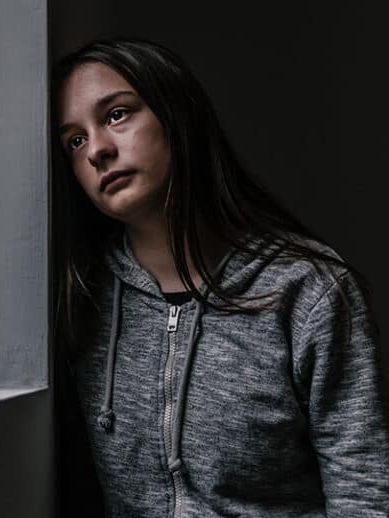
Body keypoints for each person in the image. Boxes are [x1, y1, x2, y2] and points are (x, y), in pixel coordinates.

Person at [53, 37, 389, 518]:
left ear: (176, 116)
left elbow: (364, 494)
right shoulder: (83, 298)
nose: (97, 151)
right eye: (75, 141)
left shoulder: (308, 291)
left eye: (116, 114)